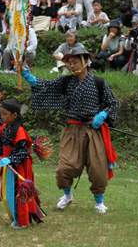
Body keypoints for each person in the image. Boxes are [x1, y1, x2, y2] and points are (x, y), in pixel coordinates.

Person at [19, 48, 118, 214]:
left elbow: (112, 104)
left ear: (86, 61)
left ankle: (99, 202)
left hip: (94, 131)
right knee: (64, 167)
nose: (71, 66)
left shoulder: (99, 82)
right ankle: (67, 196)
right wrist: (26, 74)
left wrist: (102, 115)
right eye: (69, 63)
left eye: (75, 62)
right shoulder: (66, 82)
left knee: (98, 168)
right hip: (72, 130)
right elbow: (44, 85)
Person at [0, 98, 44, 228]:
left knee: (17, 192)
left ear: (14, 115)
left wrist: (11, 159)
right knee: (7, 193)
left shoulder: (18, 131)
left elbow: (23, 152)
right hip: (8, 165)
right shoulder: (4, 128)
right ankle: (16, 217)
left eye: (5, 114)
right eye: (1, 113)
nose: (2, 117)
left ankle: (22, 220)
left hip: (18, 166)